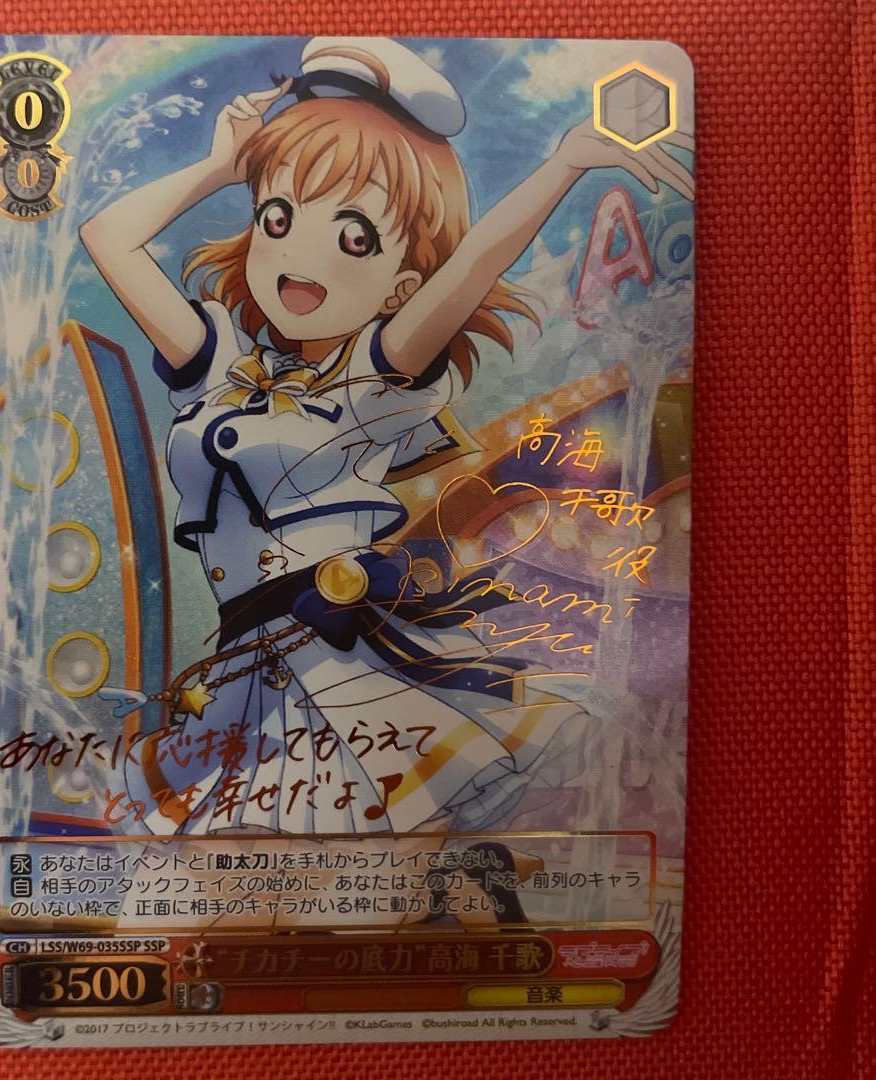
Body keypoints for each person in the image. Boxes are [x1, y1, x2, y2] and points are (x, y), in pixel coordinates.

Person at [82, 37, 695, 844]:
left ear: (404, 283)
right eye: (277, 217)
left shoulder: (374, 373)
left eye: (354, 236)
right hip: (246, 658)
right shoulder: (217, 362)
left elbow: (474, 262)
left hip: (335, 652)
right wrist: (220, 167)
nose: (299, 253)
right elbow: (107, 238)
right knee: (236, 853)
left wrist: (562, 167)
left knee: (356, 845)